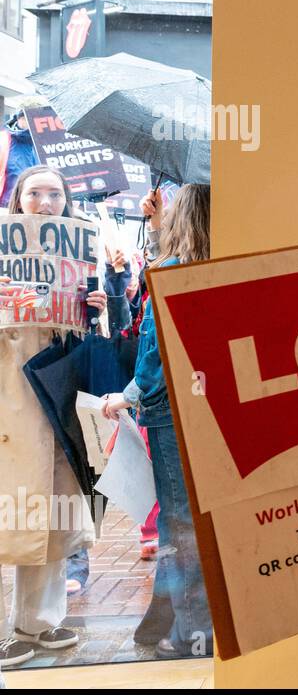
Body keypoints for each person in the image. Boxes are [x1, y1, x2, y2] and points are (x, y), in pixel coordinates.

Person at [0, 166, 118, 669]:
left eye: (55, 194)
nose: (45, 203)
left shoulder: (81, 260)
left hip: (56, 396)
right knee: (18, 506)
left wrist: (97, 308)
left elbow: (97, 338)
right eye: (35, 193)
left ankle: (38, 623)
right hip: (12, 400)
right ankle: (25, 625)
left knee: (49, 507)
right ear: (17, 201)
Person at [101, 184, 214, 658]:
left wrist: (125, 397)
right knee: (197, 518)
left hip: (170, 412)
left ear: (183, 217)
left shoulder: (171, 272)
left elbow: (153, 359)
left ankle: (194, 634)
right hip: (214, 405)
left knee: (180, 520)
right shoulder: (225, 269)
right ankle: (170, 620)